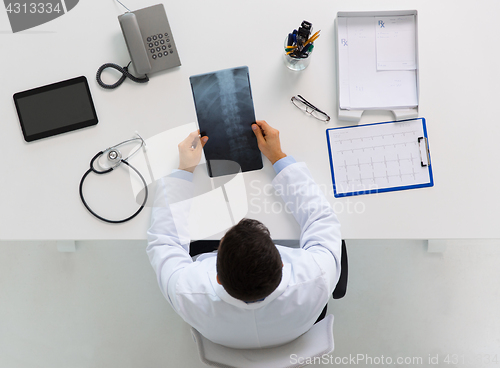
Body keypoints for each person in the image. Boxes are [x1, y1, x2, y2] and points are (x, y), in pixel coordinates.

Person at [147, 120, 342, 349]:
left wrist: (184, 170)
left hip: (223, 338)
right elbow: (320, 218)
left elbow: (164, 242)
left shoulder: (187, 290)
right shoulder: (316, 276)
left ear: (218, 276)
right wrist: (278, 157)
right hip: (293, 328)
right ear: (280, 263)